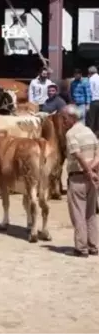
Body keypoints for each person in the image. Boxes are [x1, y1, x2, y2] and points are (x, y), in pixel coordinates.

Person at [63, 105, 99, 257]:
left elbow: (77, 155)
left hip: (78, 176)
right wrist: (92, 170)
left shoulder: (71, 134)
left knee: (78, 212)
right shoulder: (89, 131)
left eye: (64, 118)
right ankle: (94, 246)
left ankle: (81, 247)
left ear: (71, 119)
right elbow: (98, 153)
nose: (63, 121)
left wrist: (87, 171)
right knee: (91, 213)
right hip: (93, 178)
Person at [87, 66, 99, 134]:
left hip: (94, 100)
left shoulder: (91, 79)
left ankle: (92, 134)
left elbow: (90, 91)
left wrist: (88, 103)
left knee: (92, 120)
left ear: (90, 72)